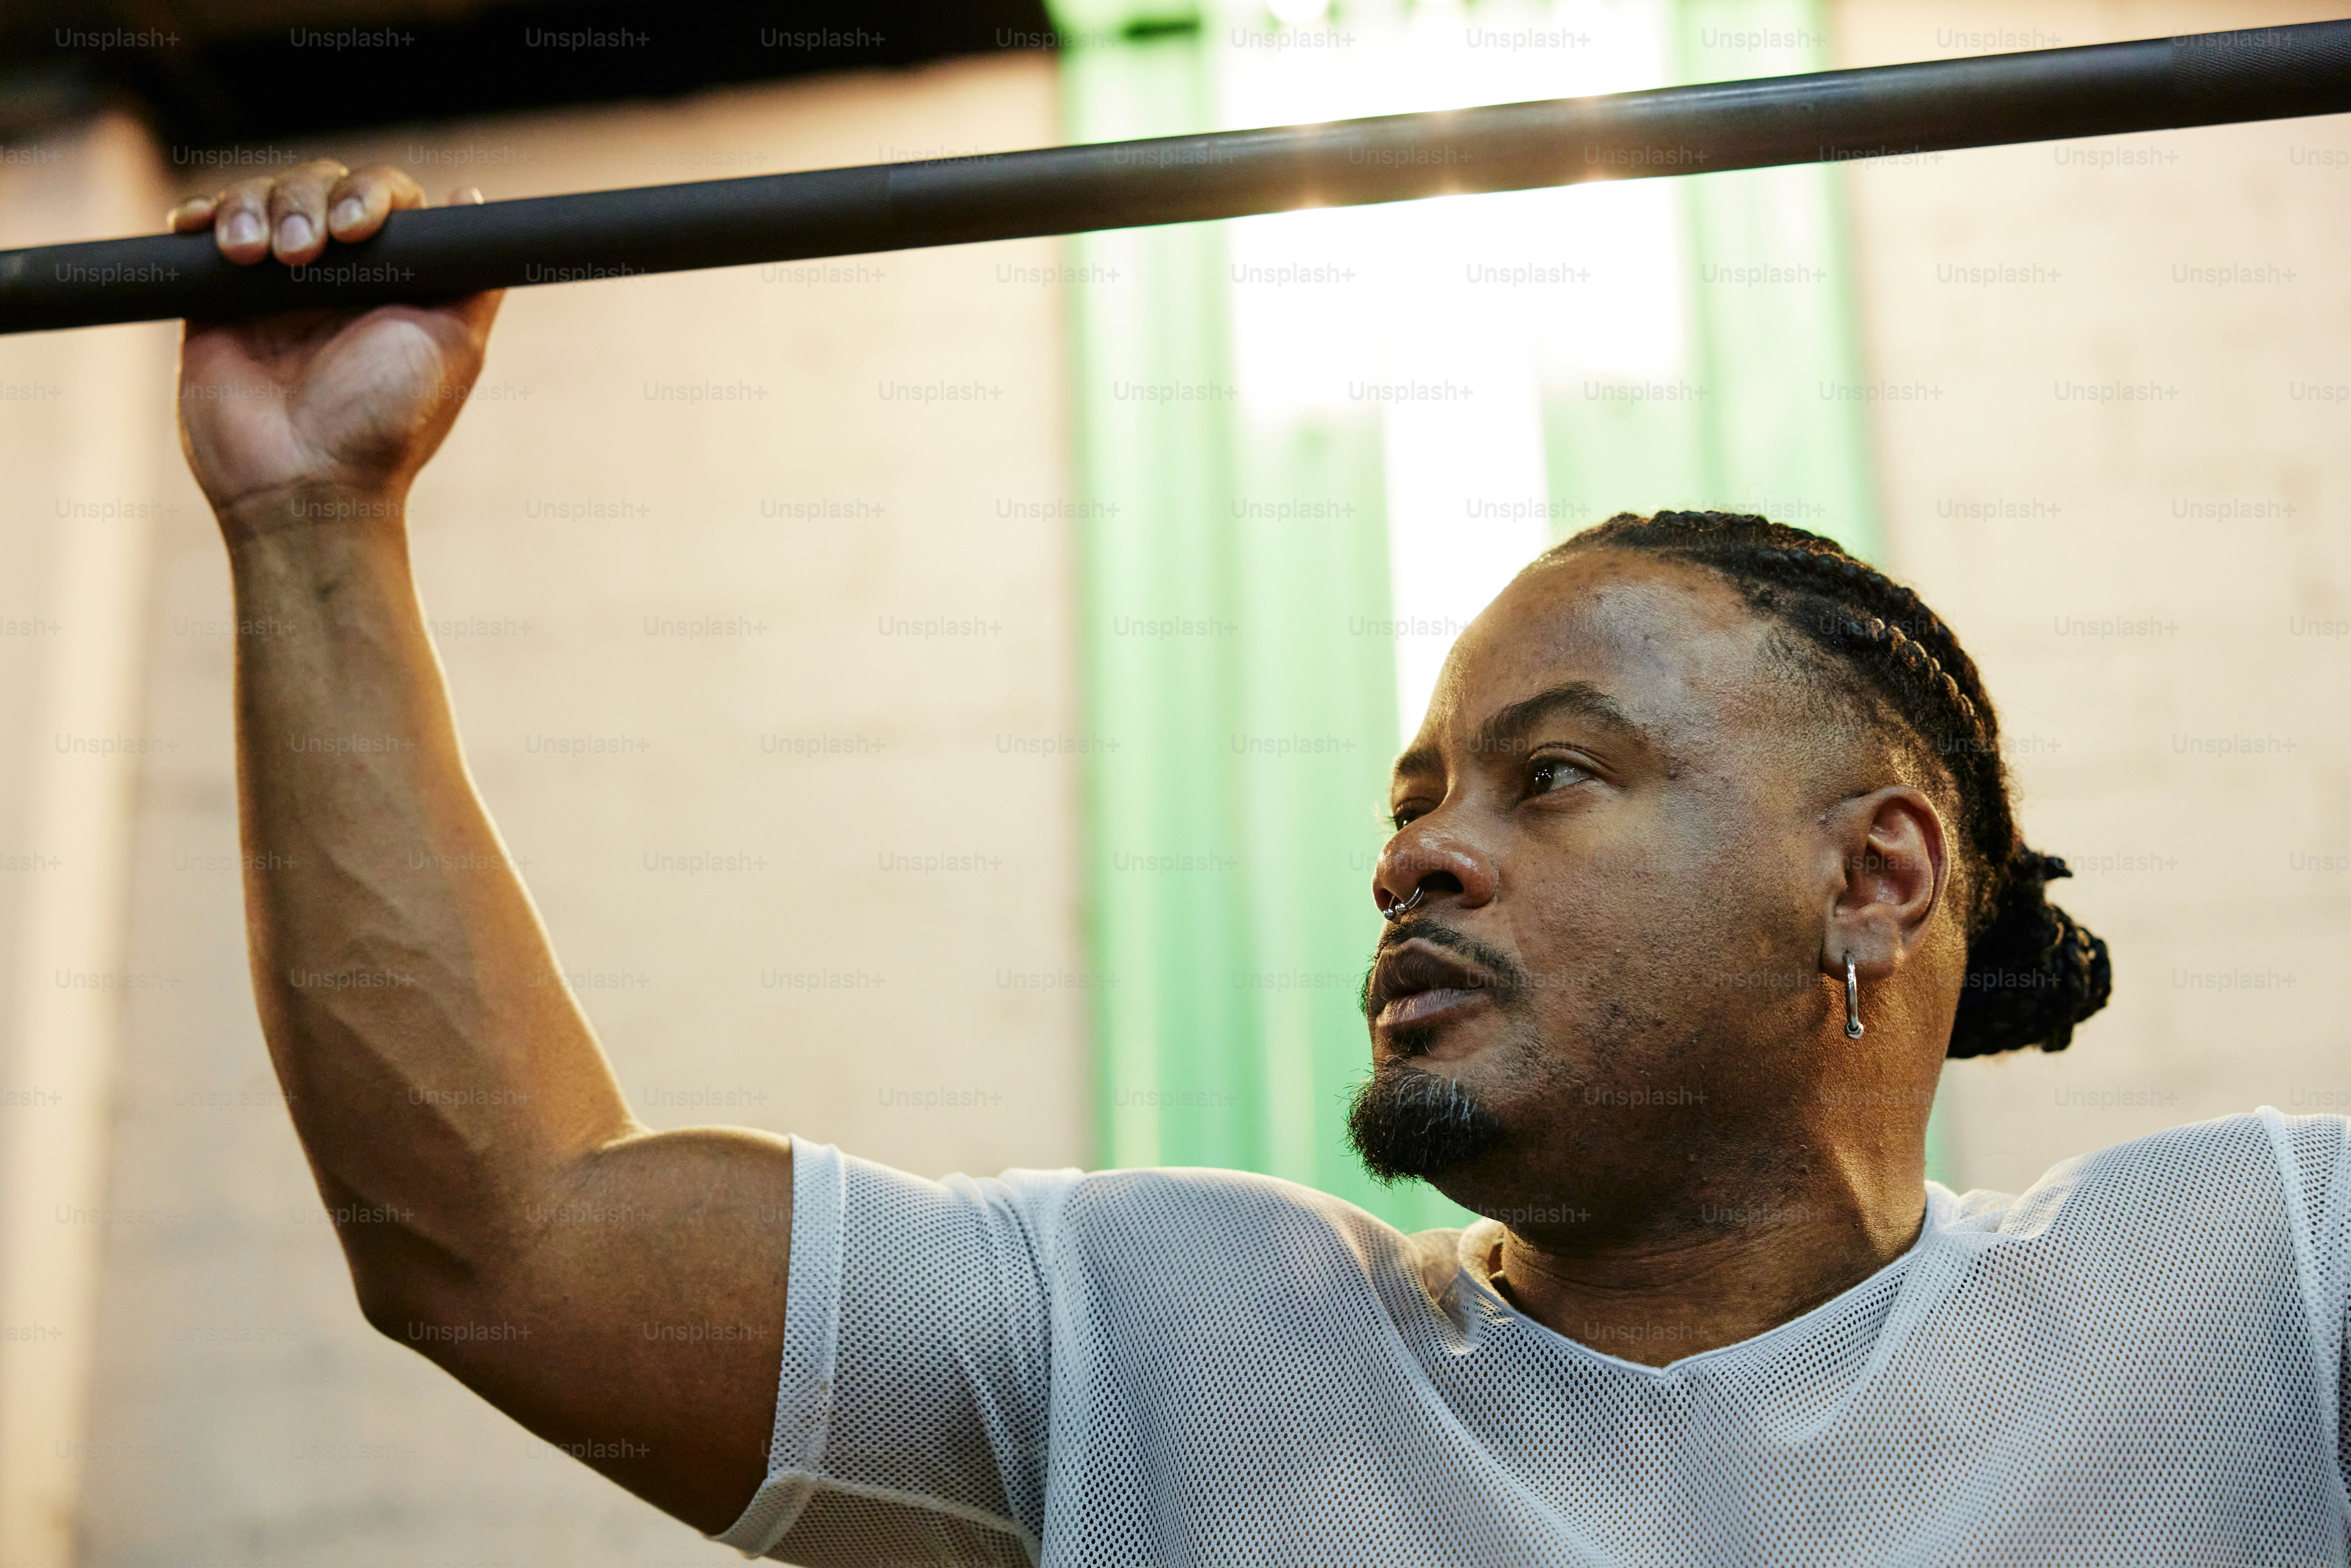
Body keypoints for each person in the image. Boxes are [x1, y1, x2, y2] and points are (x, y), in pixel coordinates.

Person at [169, 162, 2346, 1567]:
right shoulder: (1172, 1334)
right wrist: (310, 519)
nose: (1422, 861)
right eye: (1412, 803)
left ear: (1877, 877)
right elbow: (508, 1238)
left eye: (1552, 776)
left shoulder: (2264, 1285)